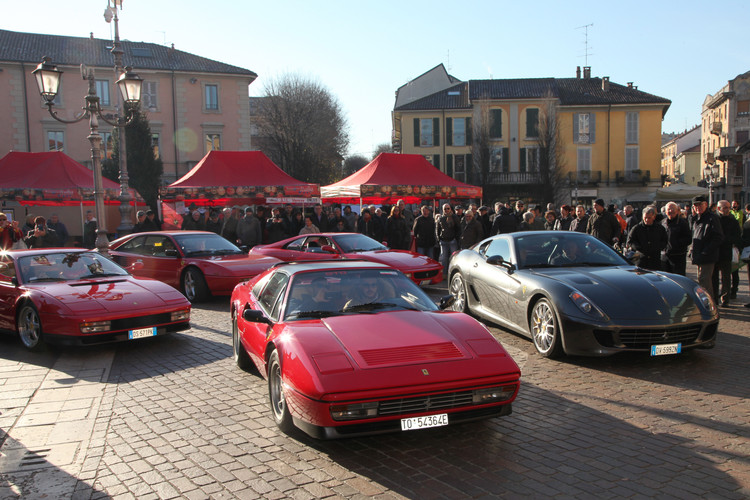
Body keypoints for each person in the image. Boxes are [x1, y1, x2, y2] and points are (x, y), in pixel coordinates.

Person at [689, 195, 724, 303]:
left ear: (705, 205)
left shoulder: (712, 218)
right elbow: (695, 236)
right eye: (695, 206)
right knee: (702, 280)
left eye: (700, 205)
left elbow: (718, 237)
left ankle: (708, 304)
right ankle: (707, 303)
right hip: (699, 255)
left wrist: (706, 251)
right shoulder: (697, 219)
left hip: (707, 256)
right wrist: (692, 250)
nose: (698, 207)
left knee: (704, 282)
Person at [714, 200, 741, 306]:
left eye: (728, 207)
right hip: (715, 252)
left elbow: (737, 236)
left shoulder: (732, 220)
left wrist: (727, 240)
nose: (727, 210)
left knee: (726, 277)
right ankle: (714, 298)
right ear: (718, 208)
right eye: (724, 207)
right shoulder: (714, 219)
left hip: (726, 251)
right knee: (714, 277)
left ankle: (725, 298)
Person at [626, 205, 668, 271]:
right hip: (641, 259)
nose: (647, 220)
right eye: (645, 218)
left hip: (655, 259)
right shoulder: (637, 228)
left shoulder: (660, 228)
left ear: (653, 217)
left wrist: (657, 247)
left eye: (649, 218)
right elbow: (630, 241)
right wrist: (640, 248)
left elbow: (665, 240)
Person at [661, 201, 692, 276]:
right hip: (665, 257)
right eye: (668, 209)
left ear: (677, 211)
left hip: (678, 257)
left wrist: (676, 243)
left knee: (678, 278)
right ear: (665, 211)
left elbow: (688, 239)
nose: (671, 211)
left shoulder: (682, 223)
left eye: (673, 209)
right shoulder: (663, 223)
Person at [436, 204, 460, 276]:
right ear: (443, 210)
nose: (446, 210)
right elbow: (437, 229)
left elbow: (458, 228)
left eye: (448, 208)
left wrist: (456, 238)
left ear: (450, 209)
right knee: (444, 258)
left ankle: (452, 273)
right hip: (443, 240)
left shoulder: (454, 217)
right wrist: (439, 238)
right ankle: (444, 274)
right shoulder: (440, 218)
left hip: (452, 240)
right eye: (445, 209)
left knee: (453, 258)